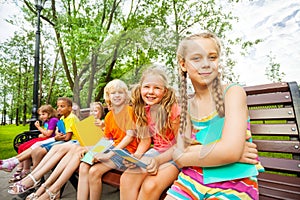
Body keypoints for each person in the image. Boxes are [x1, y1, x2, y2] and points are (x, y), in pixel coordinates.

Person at [164, 32, 261, 200]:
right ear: (183, 64)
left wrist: (228, 151)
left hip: (235, 182)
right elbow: (178, 157)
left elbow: (229, 152)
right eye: (196, 58)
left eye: (212, 57)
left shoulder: (232, 93)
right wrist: (223, 149)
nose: (206, 64)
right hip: (191, 179)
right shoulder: (186, 105)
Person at [77, 79, 146, 200]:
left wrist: (108, 155)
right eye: (113, 93)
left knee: (94, 172)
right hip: (113, 148)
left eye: (121, 92)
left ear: (126, 95)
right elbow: (106, 138)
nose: (117, 95)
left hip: (126, 151)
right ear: (108, 96)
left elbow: (130, 136)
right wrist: (93, 150)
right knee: (84, 165)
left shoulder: (128, 111)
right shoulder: (109, 115)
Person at [21, 101, 105, 200]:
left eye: (96, 110)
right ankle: (44, 185)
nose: (93, 113)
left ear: (102, 113)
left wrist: (102, 128)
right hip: (83, 147)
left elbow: (105, 140)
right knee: (60, 150)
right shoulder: (88, 122)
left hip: (93, 149)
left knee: (72, 153)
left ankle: (47, 187)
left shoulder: (104, 123)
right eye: (91, 111)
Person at [120, 67, 181, 200]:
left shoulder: (173, 110)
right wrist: (136, 156)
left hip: (176, 156)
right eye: (147, 87)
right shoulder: (143, 110)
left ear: (165, 91)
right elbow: (145, 141)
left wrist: (157, 161)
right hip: (156, 152)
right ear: (140, 88)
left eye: (157, 88)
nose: (151, 92)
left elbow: (180, 146)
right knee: (127, 177)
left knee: (150, 185)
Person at [8, 97, 80, 195]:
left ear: (70, 108)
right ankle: (30, 177)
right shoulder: (62, 118)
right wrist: (57, 133)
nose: (59, 108)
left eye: (62, 106)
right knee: (37, 148)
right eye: (58, 106)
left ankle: (34, 180)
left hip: (72, 143)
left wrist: (56, 136)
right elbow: (59, 131)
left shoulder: (71, 118)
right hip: (65, 142)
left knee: (43, 147)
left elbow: (67, 137)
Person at [8, 105, 59, 183]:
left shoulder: (53, 120)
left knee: (27, 147)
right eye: (40, 114)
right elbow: (45, 133)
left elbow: (48, 134)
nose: (41, 116)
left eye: (43, 114)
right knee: (22, 146)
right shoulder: (47, 121)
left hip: (51, 140)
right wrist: (41, 134)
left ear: (49, 113)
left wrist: (38, 127)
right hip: (46, 138)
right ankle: (20, 167)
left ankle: (25, 170)